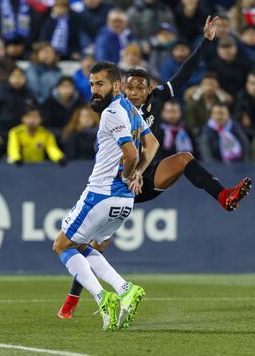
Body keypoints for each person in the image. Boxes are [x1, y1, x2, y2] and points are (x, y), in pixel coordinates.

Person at [58, 15, 252, 319]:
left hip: (144, 174)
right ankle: (73, 299)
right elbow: (120, 150)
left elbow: (186, 72)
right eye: (130, 88)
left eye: (140, 88)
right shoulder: (119, 109)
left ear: (150, 89)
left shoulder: (155, 99)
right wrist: (129, 174)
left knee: (185, 158)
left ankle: (224, 196)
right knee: (95, 244)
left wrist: (207, 42)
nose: (135, 93)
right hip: (120, 181)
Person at [52, 61, 158, 331]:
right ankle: (125, 288)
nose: (94, 90)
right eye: (91, 84)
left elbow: (132, 153)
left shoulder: (112, 112)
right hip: (124, 202)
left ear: (116, 85)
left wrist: (128, 174)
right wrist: (138, 175)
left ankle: (102, 298)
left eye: (100, 84)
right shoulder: (131, 109)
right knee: (83, 246)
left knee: (62, 246)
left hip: (101, 194)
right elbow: (152, 144)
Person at [0, 66, 37, 160]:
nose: (17, 79)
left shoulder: (30, 96)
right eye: (14, 76)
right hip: (0, 136)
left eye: (20, 76)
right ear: (8, 78)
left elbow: (36, 116)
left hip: (23, 137)